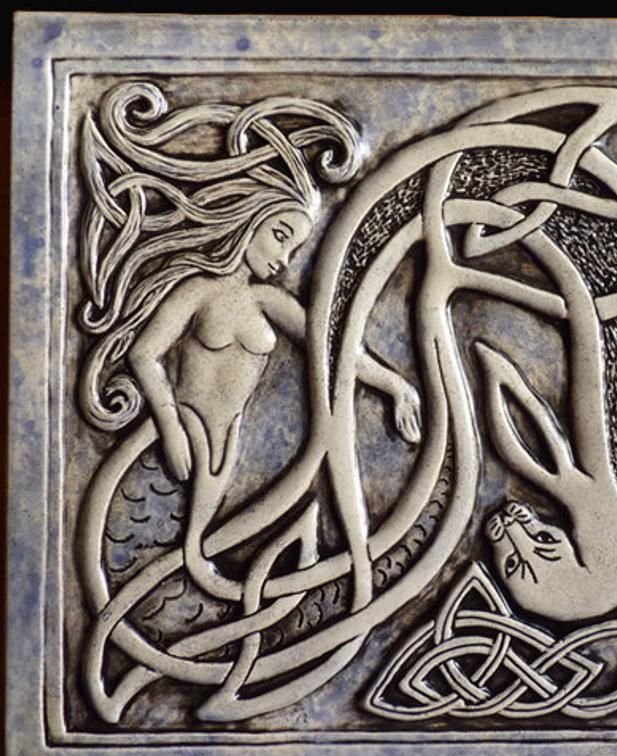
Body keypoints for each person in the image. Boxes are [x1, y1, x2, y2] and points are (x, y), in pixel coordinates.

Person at [79, 83, 421, 602]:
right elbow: (145, 353)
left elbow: (333, 347)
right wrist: (169, 425)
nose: (284, 258)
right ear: (250, 220)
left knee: (197, 552)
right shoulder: (196, 291)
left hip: (231, 442)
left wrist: (394, 384)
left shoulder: (268, 302)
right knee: (165, 542)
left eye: (295, 248)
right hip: (183, 428)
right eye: (280, 236)